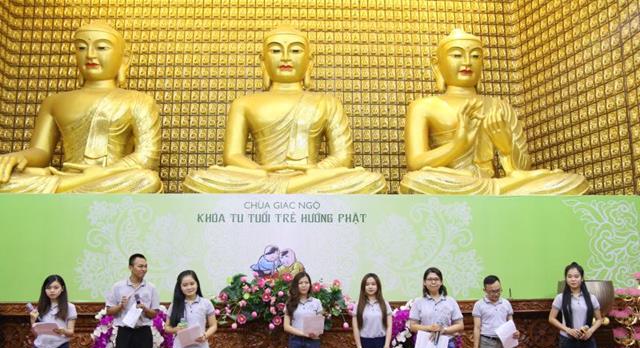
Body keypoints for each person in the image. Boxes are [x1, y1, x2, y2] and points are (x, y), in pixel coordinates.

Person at [183, 26, 387, 194]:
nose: (286, 58)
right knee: (199, 180)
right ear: (263, 60)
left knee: (369, 181)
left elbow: (343, 157)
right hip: (261, 178)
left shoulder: (328, 102)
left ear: (309, 61)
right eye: (276, 50)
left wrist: (314, 171)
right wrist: (261, 171)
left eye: (296, 51)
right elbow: (233, 156)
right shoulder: (244, 103)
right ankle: (287, 188)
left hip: (312, 179)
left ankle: (290, 187)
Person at [400, 28, 588, 195]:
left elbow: (522, 169)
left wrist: (506, 148)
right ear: (437, 64)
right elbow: (415, 163)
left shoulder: (500, 106)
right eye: (457, 55)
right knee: (415, 181)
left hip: (498, 185)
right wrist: (458, 144)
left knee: (572, 182)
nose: (467, 62)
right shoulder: (423, 106)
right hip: (453, 183)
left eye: (475, 56)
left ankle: (495, 192)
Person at [0, 22, 162, 193]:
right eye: (82, 48)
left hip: (111, 178)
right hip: (66, 177)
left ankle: (66, 188)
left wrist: (102, 173)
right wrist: (18, 157)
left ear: (124, 59)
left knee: (147, 180)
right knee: (5, 180)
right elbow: (41, 151)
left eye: (101, 47)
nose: (90, 55)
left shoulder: (139, 100)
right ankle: (67, 186)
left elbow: (147, 157)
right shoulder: (54, 102)